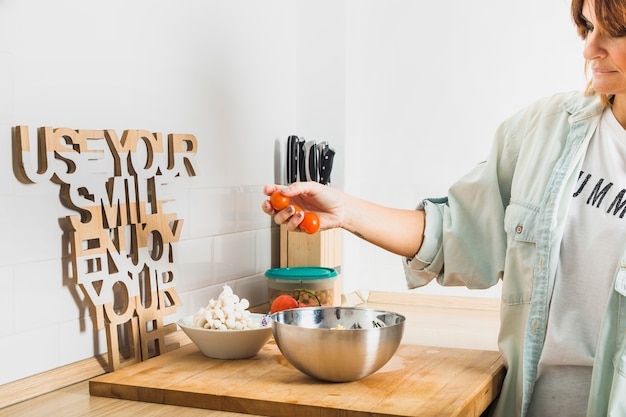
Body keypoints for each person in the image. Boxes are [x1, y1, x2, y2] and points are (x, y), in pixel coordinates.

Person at [261, 1, 626, 416]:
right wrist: (345, 211)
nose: (589, 49)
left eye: (614, 31)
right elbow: (455, 233)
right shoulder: (547, 129)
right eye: (587, 26)